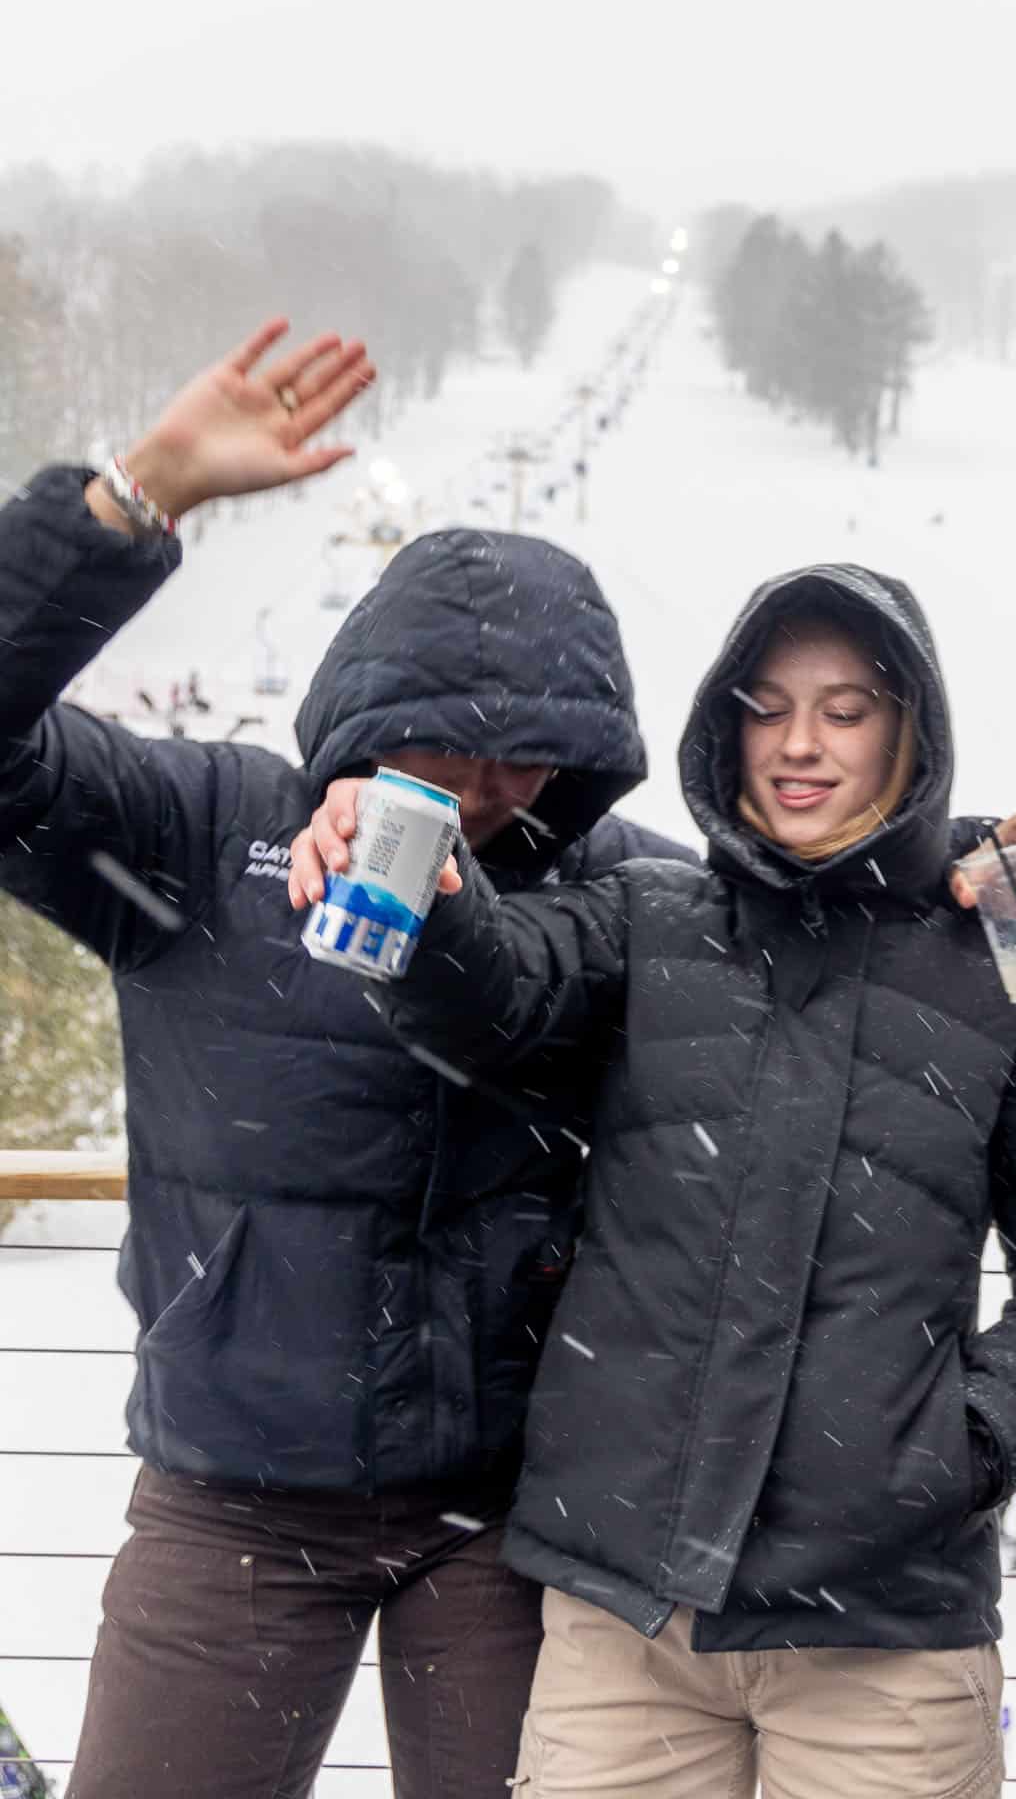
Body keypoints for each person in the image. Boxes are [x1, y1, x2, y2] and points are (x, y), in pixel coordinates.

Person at [294, 562, 1016, 1799]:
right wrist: (411, 872)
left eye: (847, 710)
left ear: (912, 731)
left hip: (887, 1637)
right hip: (625, 1621)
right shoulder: (650, 918)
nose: (800, 743)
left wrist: (953, 1451)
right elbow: (496, 980)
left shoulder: (1005, 970)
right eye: (767, 703)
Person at [0, 319, 693, 1799]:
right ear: (366, 702)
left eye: (531, 755)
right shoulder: (199, 837)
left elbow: (808, 954)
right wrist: (135, 498)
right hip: (232, 1502)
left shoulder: (616, 888)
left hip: (517, 1519)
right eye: (443, 742)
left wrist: (959, 872)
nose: (490, 788)